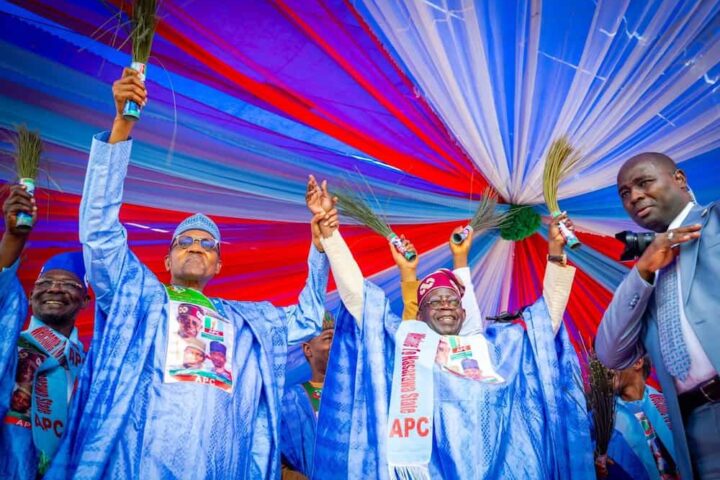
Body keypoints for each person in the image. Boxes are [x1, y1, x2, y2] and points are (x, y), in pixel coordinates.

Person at [44, 69, 333, 480]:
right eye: (185, 241)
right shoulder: (140, 299)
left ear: (218, 265)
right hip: (142, 460)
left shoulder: (244, 320)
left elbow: (305, 318)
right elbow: (100, 233)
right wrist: (121, 128)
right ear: (166, 261)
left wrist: (320, 247)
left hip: (220, 463)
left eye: (207, 244)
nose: (196, 246)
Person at [309, 179, 594, 479]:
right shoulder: (408, 349)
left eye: (452, 300)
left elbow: (544, 324)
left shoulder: (493, 349)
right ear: (420, 315)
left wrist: (556, 252)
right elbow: (360, 300)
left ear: (463, 312)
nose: (446, 304)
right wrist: (330, 234)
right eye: (435, 301)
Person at [596, 152, 719, 479]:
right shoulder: (644, 278)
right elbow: (609, 352)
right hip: (693, 429)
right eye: (625, 193)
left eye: (643, 182)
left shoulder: (716, 221)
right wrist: (644, 268)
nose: (634, 196)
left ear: (678, 179)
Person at [0, 185, 89, 479]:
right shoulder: (9, 348)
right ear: (30, 294)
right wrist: (14, 237)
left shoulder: (93, 369)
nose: (54, 288)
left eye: (69, 284)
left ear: (86, 299)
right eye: (45, 283)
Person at [596, 356, 679, 480]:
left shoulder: (667, 402)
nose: (605, 369)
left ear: (637, 362)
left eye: (610, 359)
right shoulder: (601, 419)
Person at [280, 312, 335, 479]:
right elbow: (270, 458)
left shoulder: (363, 393)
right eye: (328, 338)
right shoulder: (290, 401)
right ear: (308, 350)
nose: (337, 344)